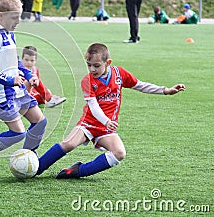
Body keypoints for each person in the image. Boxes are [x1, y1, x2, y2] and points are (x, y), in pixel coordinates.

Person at [36, 43, 186, 179]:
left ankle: (78, 171)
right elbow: (93, 106)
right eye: (89, 65)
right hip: (88, 123)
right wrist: (106, 121)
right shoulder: (87, 81)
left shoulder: (119, 74)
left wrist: (165, 90)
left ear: (108, 63)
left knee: (119, 153)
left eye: (96, 65)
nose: (92, 69)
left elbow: (140, 85)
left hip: (106, 129)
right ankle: (36, 168)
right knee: (69, 144)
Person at [0, 0, 47, 177]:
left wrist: (29, 75)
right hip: (2, 94)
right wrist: (8, 80)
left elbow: (13, 60)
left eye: (19, 17)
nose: (18, 21)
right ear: (0, 16)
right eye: (14, 17)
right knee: (18, 133)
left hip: (18, 90)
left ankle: (28, 157)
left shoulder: (9, 33)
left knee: (40, 122)